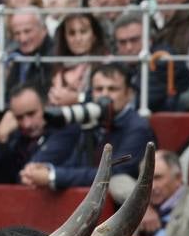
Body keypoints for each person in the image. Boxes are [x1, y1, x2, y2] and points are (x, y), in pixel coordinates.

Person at [21, 64, 155, 189]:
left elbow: (113, 173)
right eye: (98, 89)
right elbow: (74, 163)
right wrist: (44, 169)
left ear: (129, 94)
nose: (104, 95)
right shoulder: (87, 118)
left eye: (112, 89)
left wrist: (53, 176)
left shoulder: (137, 127)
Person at [112, 150, 189, 236]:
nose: (152, 186)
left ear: (178, 178)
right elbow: (115, 181)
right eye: (146, 178)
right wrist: (141, 206)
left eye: (158, 178)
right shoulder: (143, 203)